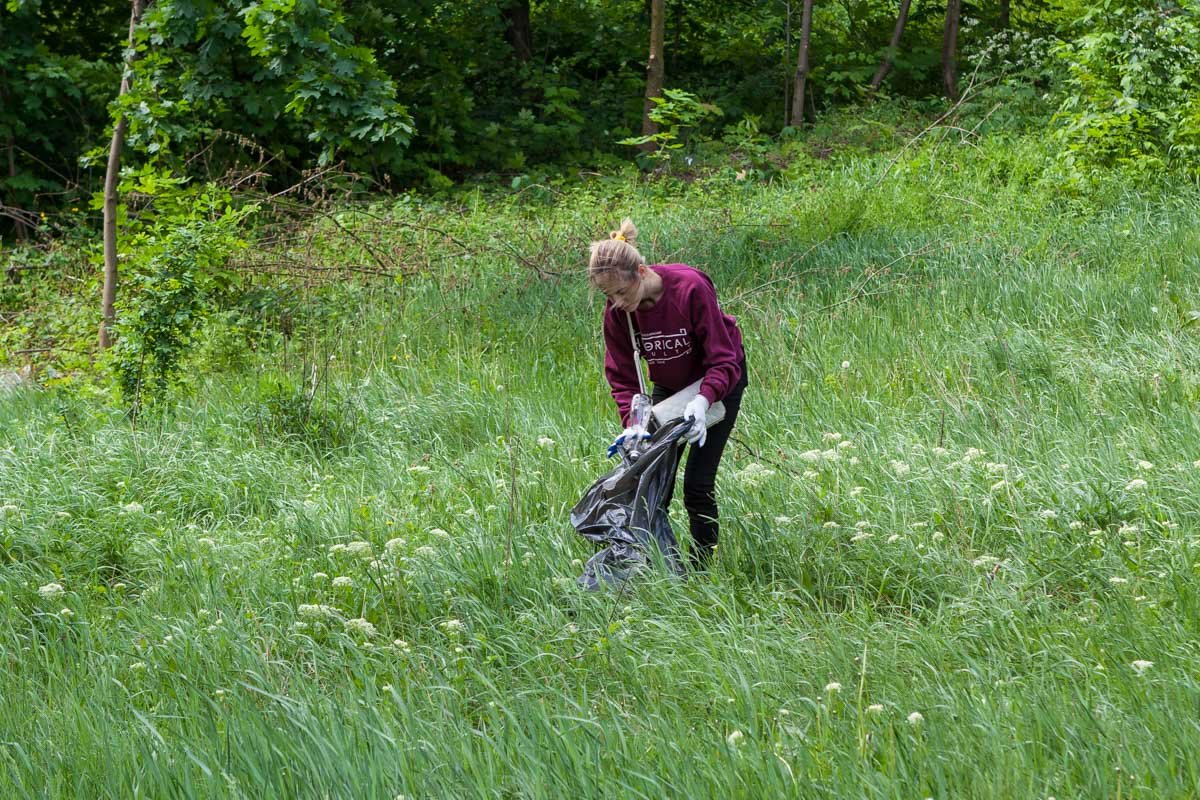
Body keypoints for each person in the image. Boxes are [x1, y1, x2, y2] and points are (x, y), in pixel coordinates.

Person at [588, 218, 747, 570]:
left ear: (641, 272)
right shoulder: (619, 314)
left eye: (621, 292)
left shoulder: (689, 287)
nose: (616, 302)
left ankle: (703, 568)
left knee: (697, 484)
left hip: (719, 383)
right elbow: (622, 375)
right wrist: (634, 423)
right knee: (651, 482)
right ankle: (661, 568)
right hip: (670, 391)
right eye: (608, 295)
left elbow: (724, 358)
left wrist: (703, 402)